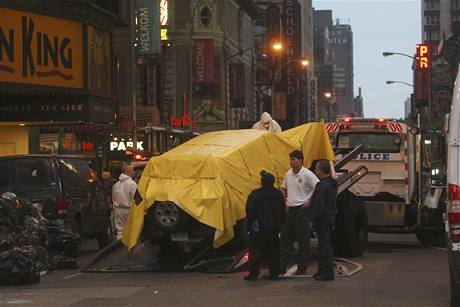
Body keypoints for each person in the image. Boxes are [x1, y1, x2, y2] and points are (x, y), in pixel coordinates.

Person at [279, 150, 319, 275]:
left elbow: (318, 188)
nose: (292, 162)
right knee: (285, 240)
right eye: (291, 159)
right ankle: (280, 267)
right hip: (290, 210)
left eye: (294, 159)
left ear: (301, 160)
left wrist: (309, 202)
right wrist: (285, 200)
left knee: (303, 241)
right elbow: (283, 188)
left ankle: (302, 269)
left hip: (302, 211)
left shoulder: (307, 174)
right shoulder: (288, 174)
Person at [244, 171, 285, 282]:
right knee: (273, 251)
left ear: (262, 182)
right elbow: (282, 211)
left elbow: (250, 210)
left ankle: (253, 274)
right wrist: (279, 224)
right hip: (274, 228)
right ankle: (274, 273)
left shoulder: (255, 194)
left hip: (259, 229)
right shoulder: (278, 194)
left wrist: (251, 224)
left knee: (256, 252)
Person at [310, 159, 338, 281]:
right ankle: (323, 271)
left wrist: (313, 219)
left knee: (324, 246)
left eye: (316, 168)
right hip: (330, 217)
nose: (315, 171)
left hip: (323, 219)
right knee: (324, 245)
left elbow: (318, 205)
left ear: (321, 170)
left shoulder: (322, 186)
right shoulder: (331, 184)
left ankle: (326, 272)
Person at [112, 162, 137, 240]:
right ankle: (128, 250)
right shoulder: (132, 184)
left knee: (120, 231)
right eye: (132, 170)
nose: (134, 172)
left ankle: (119, 249)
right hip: (128, 210)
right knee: (130, 231)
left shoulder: (116, 185)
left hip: (117, 210)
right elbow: (135, 199)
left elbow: (113, 198)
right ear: (128, 172)